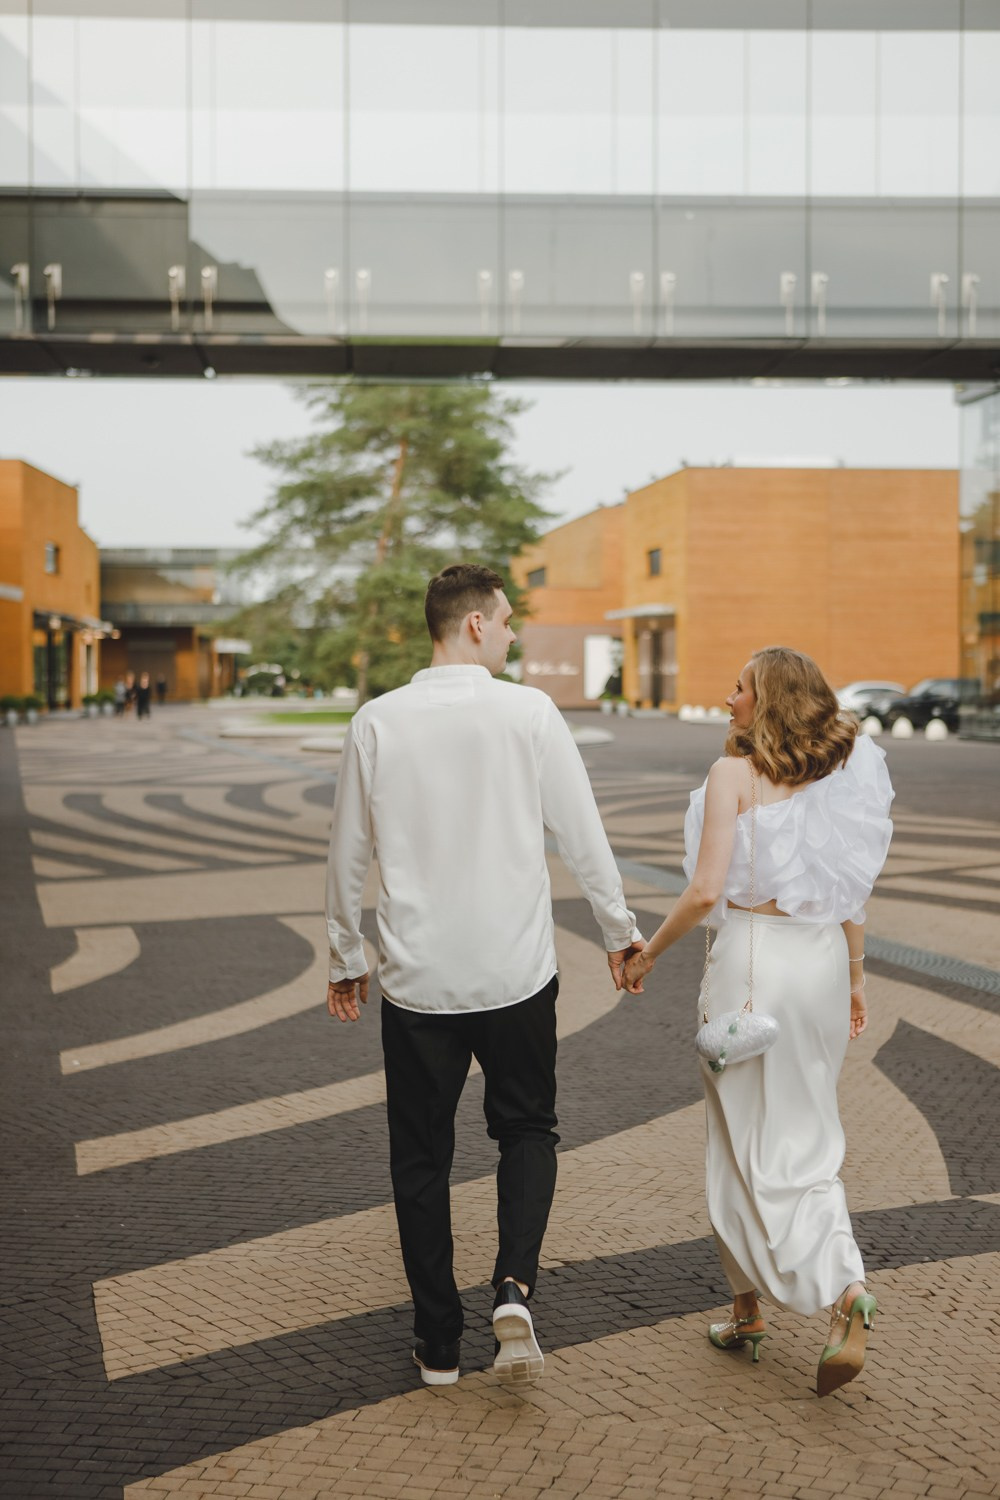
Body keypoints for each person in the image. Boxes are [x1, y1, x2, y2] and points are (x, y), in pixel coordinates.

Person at [325, 564, 644, 1389]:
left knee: (421, 1160)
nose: (511, 633)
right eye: (505, 620)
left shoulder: (376, 722)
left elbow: (347, 853)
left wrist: (343, 955)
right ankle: (514, 1286)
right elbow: (583, 834)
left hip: (419, 982)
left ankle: (437, 1344)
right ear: (472, 625)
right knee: (528, 1130)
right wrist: (619, 932)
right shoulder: (529, 714)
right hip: (516, 973)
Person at [624, 646, 893, 1398]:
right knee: (806, 1135)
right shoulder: (838, 774)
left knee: (738, 1141)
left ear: (766, 699)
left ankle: (802, 1299)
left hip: (752, 969)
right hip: (818, 966)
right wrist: (855, 980)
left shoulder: (732, 777)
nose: (729, 696)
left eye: (739, 687)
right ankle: (799, 1299)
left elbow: (707, 891)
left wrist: (648, 953)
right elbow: (850, 895)